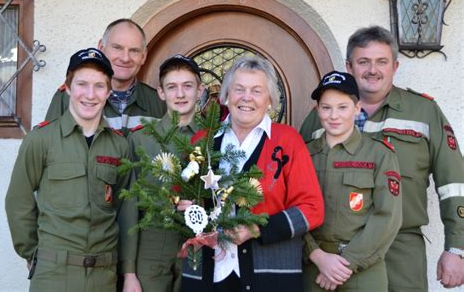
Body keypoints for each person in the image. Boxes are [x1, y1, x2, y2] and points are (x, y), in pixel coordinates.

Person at [300, 26, 464, 291]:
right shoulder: (319, 117)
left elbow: (454, 182)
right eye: (363, 62)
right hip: (334, 254)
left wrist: (456, 248)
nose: (372, 70)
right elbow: (297, 183)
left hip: (401, 249)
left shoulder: (424, 111)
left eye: (381, 62)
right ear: (349, 66)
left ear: (395, 66)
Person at [181, 55, 325, 292]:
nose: (246, 97)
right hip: (207, 273)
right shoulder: (201, 142)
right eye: (239, 89)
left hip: (270, 277)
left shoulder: (287, 141)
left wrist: (256, 229)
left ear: (269, 100)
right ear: (226, 96)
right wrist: (183, 207)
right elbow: (177, 199)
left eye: (257, 91)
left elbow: (312, 210)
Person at [5, 48, 130, 292]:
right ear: (68, 87)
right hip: (54, 274)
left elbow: (124, 209)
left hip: (104, 276)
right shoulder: (41, 140)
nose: (90, 95)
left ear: (108, 92)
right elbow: (17, 201)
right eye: (82, 84)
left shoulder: (119, 145)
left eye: (99, 86)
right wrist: (33, 253)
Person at [302, 71, 402, 292]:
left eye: (342, 107)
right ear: (317, 110)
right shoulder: (303, 155)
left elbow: (388, 217)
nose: (334, 115)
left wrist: (345, 264)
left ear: (357, 109)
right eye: (326, 107)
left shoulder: (379, 154)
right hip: (314, 266)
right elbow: (292, 209)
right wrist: (317, 256)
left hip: (363, 270)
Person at [120, 55, 204, 292]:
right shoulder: (140, 139)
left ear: (200, 90)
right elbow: (128, 208)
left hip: (199, 245)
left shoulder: (214, 139)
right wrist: (128, 272)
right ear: (161, 92)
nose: (180, 94)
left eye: (187, 86)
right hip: (151, 243)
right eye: (172, 87)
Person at [45, 18, 166, 136]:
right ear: (101, 48)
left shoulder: (159, 102)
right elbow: (48, 147)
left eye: (134, 50)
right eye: (117, 47)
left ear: (143, 56)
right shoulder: (69, 97)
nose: (125, 58)